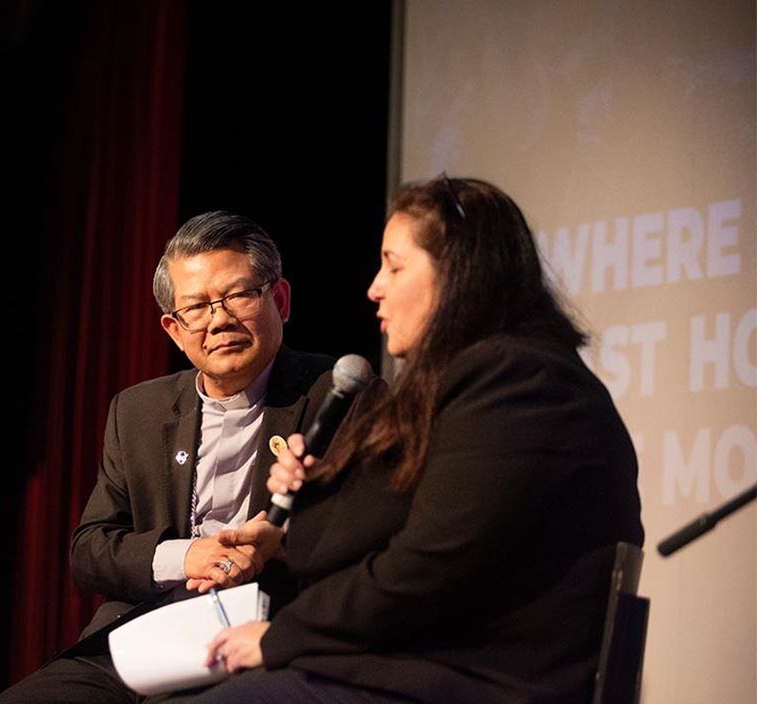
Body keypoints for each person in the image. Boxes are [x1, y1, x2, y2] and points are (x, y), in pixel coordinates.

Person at [200, 176, 644, 703]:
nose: (374, 288)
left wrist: (281, 638)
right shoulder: (483, 378)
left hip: (480, 682)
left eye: (394, 266)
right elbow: (388, 531)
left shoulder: (519, 381)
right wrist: (313, 498)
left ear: (457, 272)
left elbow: (428, 566)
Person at [0, 211, 360, 703]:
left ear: (280, 300)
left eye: (238, 296)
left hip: (261, 643)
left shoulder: (338, 395)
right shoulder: (138, 411)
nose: (219, 320)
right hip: (140, 638)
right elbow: (90, 549)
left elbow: (371, 532)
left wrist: (284, 540)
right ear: (174, 328)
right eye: (197, 307)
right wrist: (186, 555)